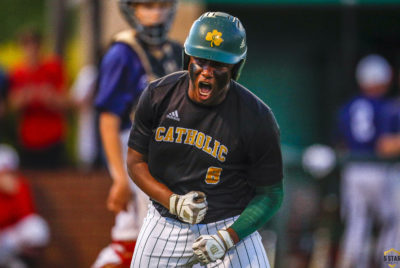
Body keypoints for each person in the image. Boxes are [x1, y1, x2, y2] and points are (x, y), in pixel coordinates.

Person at [126, 11, 284, 267]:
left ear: (235, 68)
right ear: (187, 59)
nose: (207, 72)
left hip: (230, 225)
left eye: (219, 64)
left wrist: (226, 238)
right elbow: (135, 162)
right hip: (166, 220)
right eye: (200, 60)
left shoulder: (257, 117)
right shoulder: (158, 96)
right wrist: (173, 202)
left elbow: (271, 194)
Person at [92, 0, 182, 267]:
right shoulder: (122, 53)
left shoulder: (177, 52)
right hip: (136, 153)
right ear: (132, 9)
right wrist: (119, 178)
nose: (156, 12)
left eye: (162, 5)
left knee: (132, 240)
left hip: (170, 154)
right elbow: (108, 120)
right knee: (156, 239)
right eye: (148, 5)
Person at [336, 54, 398, 268]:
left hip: (353, 171)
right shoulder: (387, 107)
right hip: (380, 171)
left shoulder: (347, 108)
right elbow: (385, 146)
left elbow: (342, 144)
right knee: (394, 221)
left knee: (357, 223)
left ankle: (353, 265)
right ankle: (392, 263)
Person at [8, 29, 68, 169]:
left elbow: (66, 101)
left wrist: (49, 97)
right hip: (28, 139)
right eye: (27, 45)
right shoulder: (17, 72)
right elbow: (12, 104)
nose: (31, 50)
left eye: (34, 45)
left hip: (52, 137)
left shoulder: (53, 68)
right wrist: (24, 98)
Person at [0, 144, 50, 267]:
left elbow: (28, 216)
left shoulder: (19, 185)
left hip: (10, 239)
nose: (7, 175)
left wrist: (16, 192)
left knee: (37, 227)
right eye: (3, 171)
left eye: (9, 171)